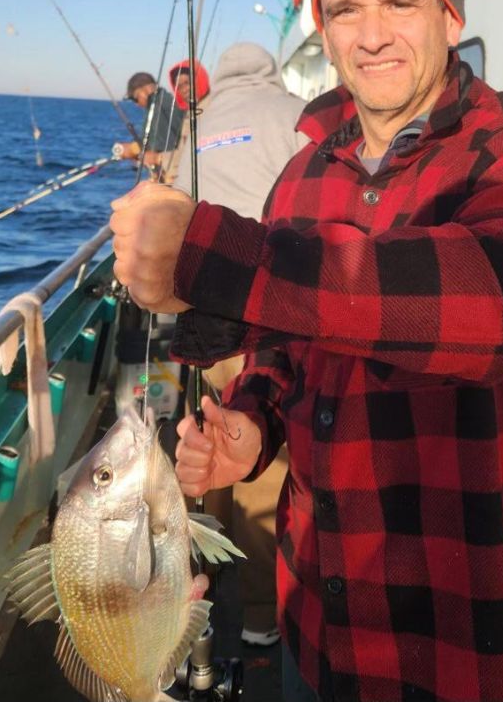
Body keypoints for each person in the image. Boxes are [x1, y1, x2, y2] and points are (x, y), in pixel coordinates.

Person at [110, 0, 503, 702]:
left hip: (474, 647)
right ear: (323, 29)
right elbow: (285, 352)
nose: (370, 35)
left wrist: (207, 254)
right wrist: (253, 424)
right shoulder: (301, 176)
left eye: (398, 2)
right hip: (322, 629)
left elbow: (495, 302)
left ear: (450, 15)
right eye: (343, 10)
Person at [174, 41, 307, 647]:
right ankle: (257, 617)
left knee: (205, 448)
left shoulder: (197, 130)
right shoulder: (300, 116)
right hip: (275, 321)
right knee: (257, 459)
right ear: (273, 73)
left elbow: (174, 213)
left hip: (203, 326)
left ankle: (204, 575)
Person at [114, 71, 184, 171]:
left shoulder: (159, 105)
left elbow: (159, 147)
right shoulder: (164, 101)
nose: (136, 104)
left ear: (146, 90)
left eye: (135, 98)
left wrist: (131, 149)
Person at [156, 59, 211, 185]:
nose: (184, 89)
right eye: (179, 86)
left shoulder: (212, 108)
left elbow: (199, 154)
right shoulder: (190, 112)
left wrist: (158, 158)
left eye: (187, 83)